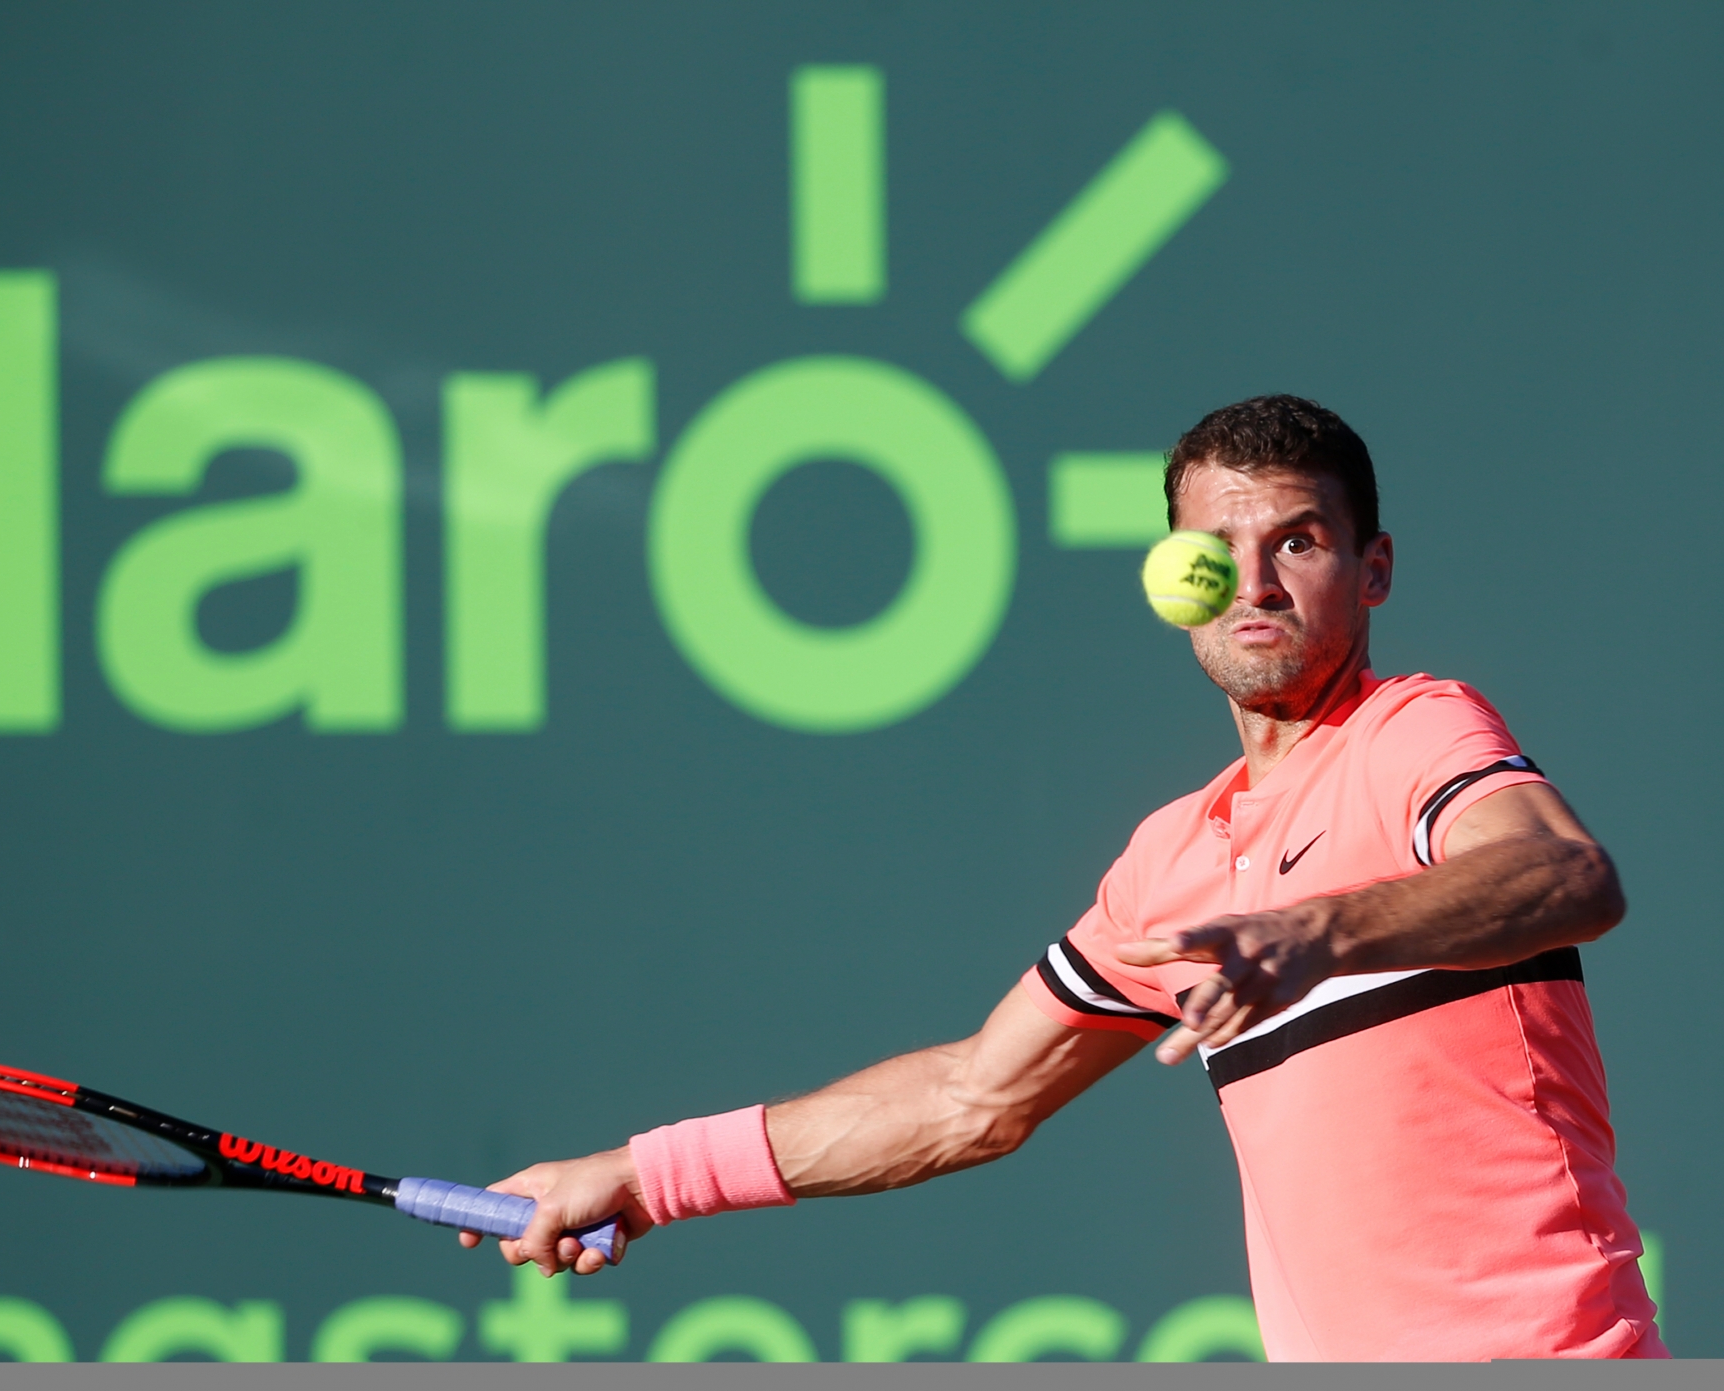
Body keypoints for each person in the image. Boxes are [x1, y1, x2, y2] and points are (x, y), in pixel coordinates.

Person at [463, 395, 1666, 1362]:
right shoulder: (1169, 861)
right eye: (1215, 550)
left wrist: (1317, 931)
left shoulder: (1413, 728)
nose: (1251, 583)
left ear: (1372, 568)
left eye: (1295, 540)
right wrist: (641, 1173)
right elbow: (969, 1098)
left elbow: (1561, 870)